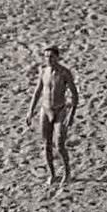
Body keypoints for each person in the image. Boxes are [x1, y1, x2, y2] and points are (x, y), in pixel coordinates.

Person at [26, 46, 79, 187]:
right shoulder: (44, 71)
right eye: (46, 56)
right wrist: (30, 111)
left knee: (60, 144)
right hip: (45, 109)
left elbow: (74, 94)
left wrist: (71, 114)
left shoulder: (64, 73)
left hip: (60, 110)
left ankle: (67, 172)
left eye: (51, 56)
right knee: (46, 144)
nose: (48, 59)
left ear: (57, 57)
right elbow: (38, 91)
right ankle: (52, 174)